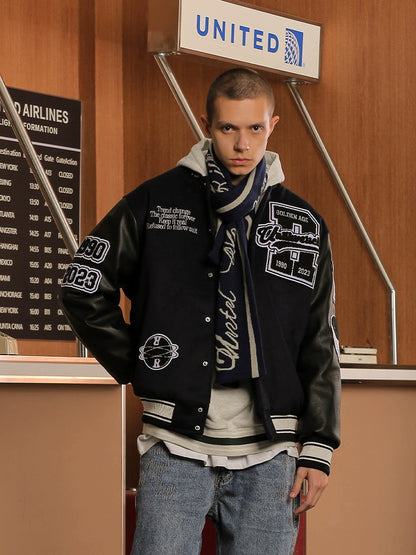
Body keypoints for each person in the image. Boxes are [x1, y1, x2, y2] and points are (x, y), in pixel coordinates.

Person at [60, 67, 341, 554]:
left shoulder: (304, 223)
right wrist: (139, 363)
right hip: (174, 447)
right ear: (207, 125)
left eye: (254, 128)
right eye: (228, 127)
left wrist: (319, 447)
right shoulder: (155, 202)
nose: (242, 144)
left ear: (272, 126)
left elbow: (320, 337)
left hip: (272, 455)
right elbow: (81, 284)